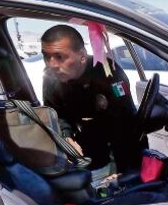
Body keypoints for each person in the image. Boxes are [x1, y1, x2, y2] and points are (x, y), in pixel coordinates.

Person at [40, 24, 146, 175]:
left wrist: (122, 170)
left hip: (120, 146)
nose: (52, 64)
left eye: (59, 57)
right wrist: (66, 137)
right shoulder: (50, 79)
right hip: (86, 148)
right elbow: (56, 115)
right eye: (46, 56)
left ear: (82, 56)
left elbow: (125, 119)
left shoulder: (108, 72)